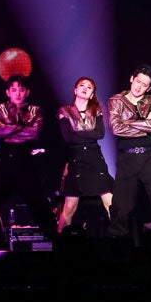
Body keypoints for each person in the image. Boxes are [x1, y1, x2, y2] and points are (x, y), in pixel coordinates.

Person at [0, 75, 53, 244]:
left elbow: (34, 133)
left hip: (24, 161)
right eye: (14, 90)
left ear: (27, 92)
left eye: (21, 90)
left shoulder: (35, 110)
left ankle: (57, 242)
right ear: (8, 92)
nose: (18, 94)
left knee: (40, 206)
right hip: (4, 161)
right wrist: (22, 128)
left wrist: (9, 130)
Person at [107, 65, 151, 243]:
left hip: (150, 157)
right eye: (138, 81)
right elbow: (116, 128)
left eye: (144, 85)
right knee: (121, 205)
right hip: (127, 157)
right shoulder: (116, 100)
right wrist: (143, 124)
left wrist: (128, 122)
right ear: (132, 79)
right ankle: (117, 243)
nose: (139, 87)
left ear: (149, 88)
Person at [57, 77, 115, 233]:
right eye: (82, 85)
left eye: (89, 87)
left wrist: (77, 132)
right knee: (69, 207)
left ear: (92, 94)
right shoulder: (64, 111)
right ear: (75, 90)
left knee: (110, 203)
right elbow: (68, 138)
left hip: (95, 158)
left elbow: (100, 134)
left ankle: (121, 239)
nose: (85, 88)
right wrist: (89, 133)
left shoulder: (97, 110)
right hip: (77, 159)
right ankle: (60, 242)